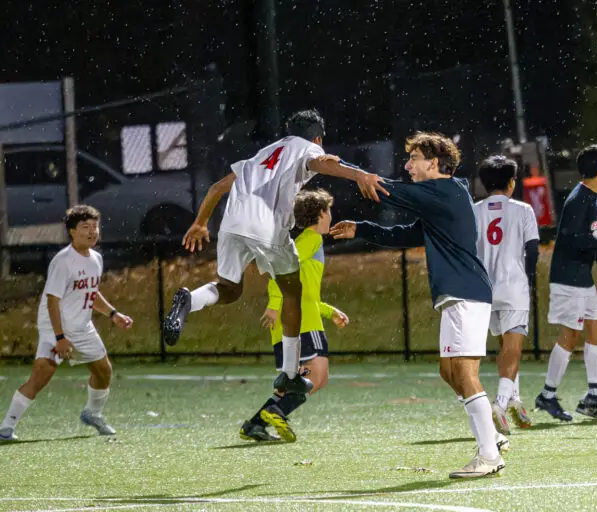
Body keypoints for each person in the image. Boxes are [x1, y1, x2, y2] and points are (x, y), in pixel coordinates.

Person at [163, 110, 386, 397]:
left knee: (229, 289)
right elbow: (322, 162)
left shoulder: (264, 153)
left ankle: (189, 299)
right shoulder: (310, 147)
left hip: (232, 222)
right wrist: (359, 175)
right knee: (292, 290)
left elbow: (218, 187)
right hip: (266, 222)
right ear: (317, 136)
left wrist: (200, 222)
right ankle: (290, 374)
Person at [331, 132, 505, 479]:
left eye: (414, 159)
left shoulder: (445, 190)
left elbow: (391, 190)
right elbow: (406, 234)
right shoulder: (443, 196)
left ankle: (489, 453)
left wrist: (355, 174)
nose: (408, 165)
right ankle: (492, 435)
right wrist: (362, 229)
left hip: (465, 294)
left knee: (465, 374)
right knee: (449, 371)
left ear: (435, 164)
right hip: (460, 295)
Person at [0, 205, 134, 441]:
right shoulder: (63, 261)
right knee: (43, 373)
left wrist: (114, 314)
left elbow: (91, 293)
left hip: (82, 326)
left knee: (104, 371)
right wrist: (60, 338)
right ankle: (6, 428)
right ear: (72, 232)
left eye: (95, 227)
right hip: (55, 325)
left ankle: (93, 413)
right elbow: (53, 302)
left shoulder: (96, 259)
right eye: (85, 227)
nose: (92, 232)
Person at [239, 189, 350, 443]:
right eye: (329, 211)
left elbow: (304, 290)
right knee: (317, 377)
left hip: (295, 319)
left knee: (299, 380)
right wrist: (275, 303)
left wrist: (329, 311)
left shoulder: (304, 242)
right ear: (321, 214)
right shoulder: (311, 239)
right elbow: (282, 270)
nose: (331, 216)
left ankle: (255, 424)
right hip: (302, 322)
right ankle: (276, 410)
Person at [535, 144, 597, 422]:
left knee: (596, 331)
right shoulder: (581, 199)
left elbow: (586, 235)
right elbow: (574, 239)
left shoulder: (589, 197)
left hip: (581, 276)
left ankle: (593, 394)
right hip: (569, 278)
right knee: (570, 335)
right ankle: (548, 395)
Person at [472, 155, 538, 435]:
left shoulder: (474, 210)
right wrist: (528, 279)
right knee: (513, 349)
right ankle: (499, 404)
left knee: (504, 346)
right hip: (513, 288)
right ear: (512, 183)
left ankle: (514, 399)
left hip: (484, 288)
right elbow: (532, 250)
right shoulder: (523, 210)